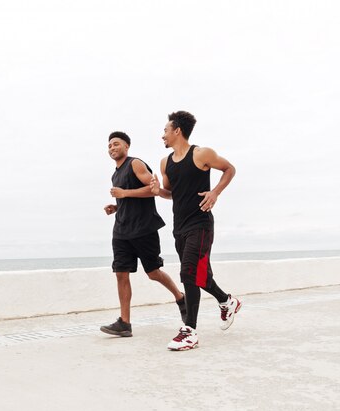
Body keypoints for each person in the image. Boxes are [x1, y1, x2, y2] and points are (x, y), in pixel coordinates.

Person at [150, 111, 242, 351]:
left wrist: (215, 192)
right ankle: (226, 300)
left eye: (165, 131)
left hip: (201, 225)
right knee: (199, 275)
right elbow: (171, 194)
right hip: (179, 227)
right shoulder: (165, 163)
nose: (163, 136)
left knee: (189, 273)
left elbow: (229, 169)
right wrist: (158, 190)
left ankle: (189, 330)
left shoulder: (202, 154)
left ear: (177, 130)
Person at [101, 131, 186, 338]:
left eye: (116, 144)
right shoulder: (115, 173)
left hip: (143, 229)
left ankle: (180, 297)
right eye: (109, 145)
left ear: (127, 146)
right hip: (121, 230)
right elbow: (127, 199)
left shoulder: (135, 164)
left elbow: (153, 189)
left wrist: (124, 193)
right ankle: (124, 323)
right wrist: (117, 206)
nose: (112, 148)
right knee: (121, 273)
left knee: (153, 272)